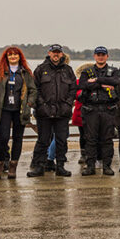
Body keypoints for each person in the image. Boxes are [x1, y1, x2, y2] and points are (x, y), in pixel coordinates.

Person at [27, 44, 76, 178]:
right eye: (53, 52)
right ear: (49, 53)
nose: (56, 54)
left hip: (62, 112)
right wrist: (42, 105)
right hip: (44, 113)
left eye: (58, 52)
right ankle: (39, 167)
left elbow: (73, 90)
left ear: (61, 54)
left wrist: (68, 104)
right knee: (43, 140)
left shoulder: (68, 70)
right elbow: (35, 89)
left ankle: (60, 166)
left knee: (61, 140)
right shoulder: (40, 69)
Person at [0, 47, 37, 179]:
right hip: (3, 110)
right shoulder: (0, 71)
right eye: (10, 55)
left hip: (20, 111)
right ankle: (0, 165)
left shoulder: (25, 72)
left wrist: (29, 103)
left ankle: (13, 167)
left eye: (15, 54)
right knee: (2, 138)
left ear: (20, 56)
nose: (13, 56)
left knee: (17, 139)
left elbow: (33, 90)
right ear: (6, 57)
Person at [78, 46, 120, 176]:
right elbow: (83, 85)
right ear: (94, 56)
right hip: (91, 110)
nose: (100, 57)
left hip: (108, 109)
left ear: (107, 56)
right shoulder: (86, 71)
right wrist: (103, 83)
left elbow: (116, 81)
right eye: (98, 54)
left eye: (103, 54)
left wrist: (97, 80)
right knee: (90, 139)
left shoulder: (114, 70)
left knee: (107, 139)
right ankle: (90, 166)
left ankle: (107, 166)